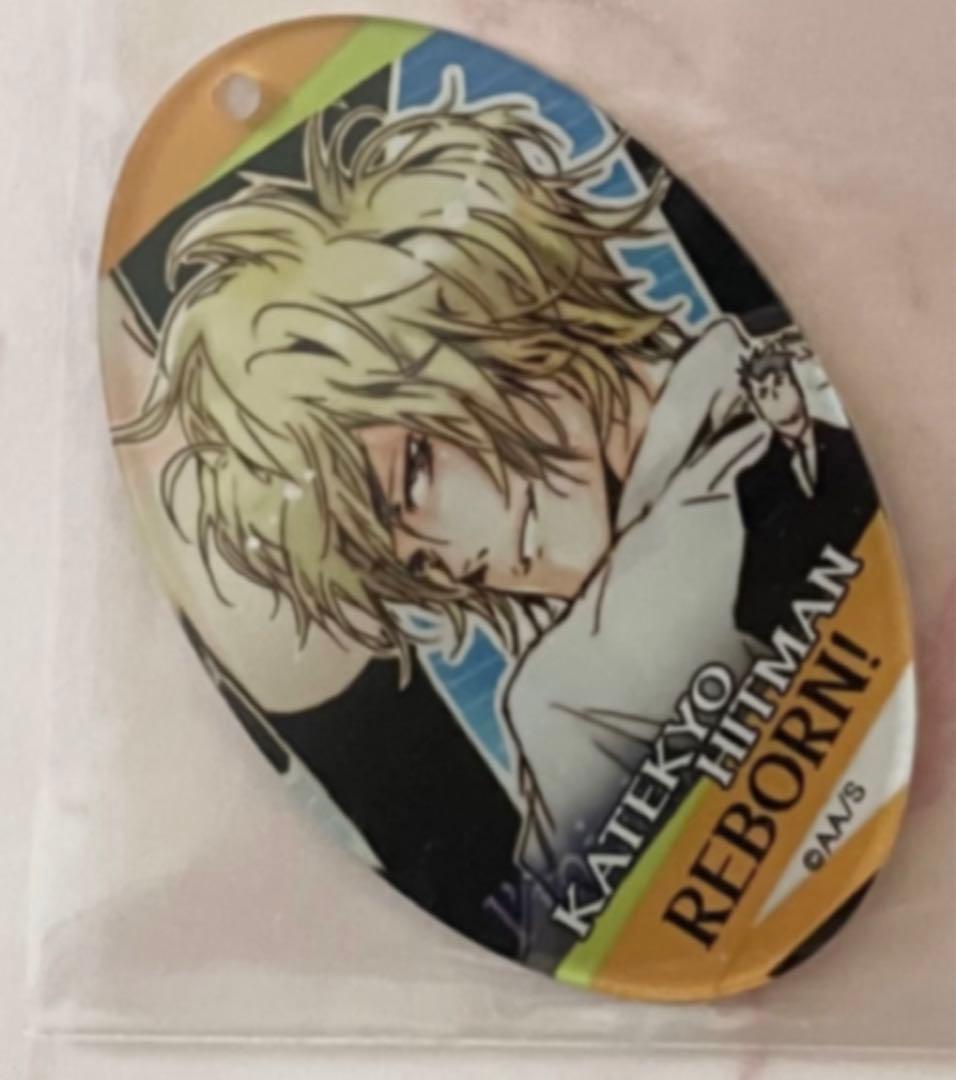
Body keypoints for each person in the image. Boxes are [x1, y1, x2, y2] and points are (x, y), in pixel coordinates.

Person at [114, 86, 824, 916]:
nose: (455, 558)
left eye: (414, 473)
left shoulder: (567, 696)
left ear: (499, 308)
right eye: (414, 564)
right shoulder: (573, 688)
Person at [733, 341, 878, 644]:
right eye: (762, 393)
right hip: (830, 633)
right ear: (756, 408)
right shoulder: (754, 483)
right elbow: (754, 600)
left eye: (778, 382)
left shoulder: (853, 441)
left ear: (796, 382)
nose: (774, 395)